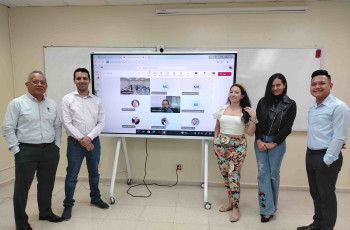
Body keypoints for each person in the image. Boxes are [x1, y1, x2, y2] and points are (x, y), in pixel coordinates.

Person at [2, 70, 62, 230]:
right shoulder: (17, 103)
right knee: (22, 188)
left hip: (49, 150)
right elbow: (8, 128)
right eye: (35, 81)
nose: (39, 84)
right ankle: (21, 223)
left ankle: (45, 212)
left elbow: (57, 126)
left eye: (42, 82)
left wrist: (57, 146)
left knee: (47, 184)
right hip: (26, 150)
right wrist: (16, 150)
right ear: (27, 84)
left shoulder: (52, 104)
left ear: (46, 85)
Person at [298, 70, 350, 230]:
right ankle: (317, 224)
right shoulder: (313, 106)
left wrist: (328, 159)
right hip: (311, 154)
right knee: (315, 194)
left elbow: (340, 137)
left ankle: (326, 227)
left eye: (322, 83)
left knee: (326, 195)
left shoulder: (339, 107)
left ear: (330, 85)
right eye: (314, 84)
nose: (317, 87)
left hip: (326, 158)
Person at [61, 68, 109, 221]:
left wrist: (89, 138)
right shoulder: (67, 99)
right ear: (74, 80)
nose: (82, 81)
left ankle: (95, 198)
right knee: (71, 176)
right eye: (78, 78)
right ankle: (68, 204)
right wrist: (83, 139)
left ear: (89, 80)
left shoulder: (97, 100)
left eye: (84, 78)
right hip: (75, 144)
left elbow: (101, 123)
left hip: (94, 143)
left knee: (94, 172)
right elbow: (67, 123)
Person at [254, 73, 297, 222]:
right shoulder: (262, 102)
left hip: (277, 143)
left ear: (284, 85)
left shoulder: (291, 104)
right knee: (262, 174)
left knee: (273, 175)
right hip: (261, 141)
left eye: (278, 85)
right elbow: (257, 123)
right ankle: (266, 209)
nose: (275, 88)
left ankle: (272, 207)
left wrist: (274, 142)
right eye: (272, 85)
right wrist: (259, 140)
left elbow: (288, 127)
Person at [213, 83, 257, 222]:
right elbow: (217, 127)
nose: (232, 94)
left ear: (242, 95)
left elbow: (250, 133)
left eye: (236, 92)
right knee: (226, 176)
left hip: (238, 146)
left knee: (234, 176)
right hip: (221, 146)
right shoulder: (222, 109)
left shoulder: (246, 111)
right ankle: (230, 202)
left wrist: (253, 118)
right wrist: (216, 141)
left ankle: (236, 208)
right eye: (231, 91)